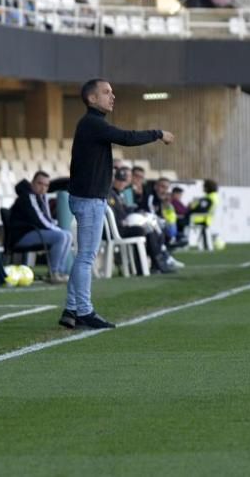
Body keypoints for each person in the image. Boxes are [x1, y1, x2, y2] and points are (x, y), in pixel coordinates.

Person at [60, 79, 175, 331]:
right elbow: (126, 137)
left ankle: (71, 309)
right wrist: (158, 134)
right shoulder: (93, 123)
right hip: (89, 199)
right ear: (91, 99)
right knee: (86, 257)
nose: (112, 96)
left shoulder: (92, 124)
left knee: (84, 257)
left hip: (89, 198)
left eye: (112, 92)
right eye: (106, 92)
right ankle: (84, 311)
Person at [108, 168, 177, 273]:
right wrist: (125, 218)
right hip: (117, 228)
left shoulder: (118, 193)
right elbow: (114, 213)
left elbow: (125, 209)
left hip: (122, 225)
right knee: (145, 230)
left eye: (123, 180)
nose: (122, 183)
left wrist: (137, 211)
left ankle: (156, 262)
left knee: (150, 228)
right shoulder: (111, 194)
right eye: (119, 180)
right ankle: (154, 264)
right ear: (114, 180)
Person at [9, 171, 72, 283]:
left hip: (33, 232)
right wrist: (57, 229)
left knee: (67, 235)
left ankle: (60, 272)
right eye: (40, 183)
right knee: (61, 236)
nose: (43, 188)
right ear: (32, 183)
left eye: (46, 185)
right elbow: (40, 221)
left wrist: (56, 227)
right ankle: (54, 273)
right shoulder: (29, 196)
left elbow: (46, 219)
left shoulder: (40, 197)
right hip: (20, 237)